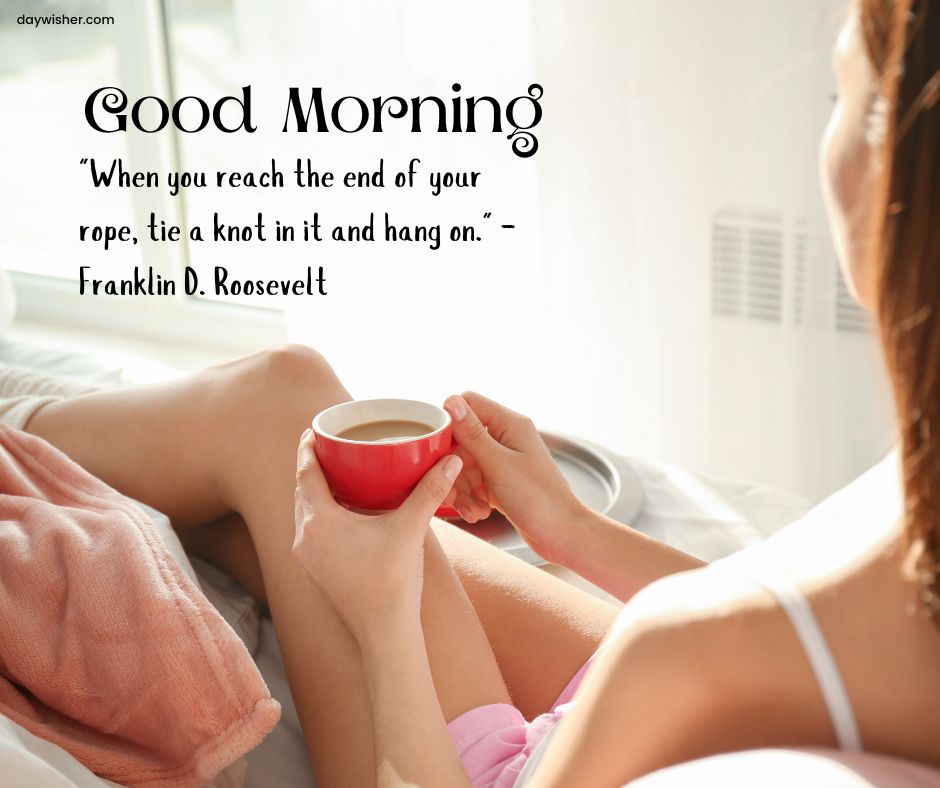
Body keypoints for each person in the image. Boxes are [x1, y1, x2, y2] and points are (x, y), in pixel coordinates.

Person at [13, 0, 939, 786]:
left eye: (839, 94)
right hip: (636, 713)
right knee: (272, 466)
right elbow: (778, 631)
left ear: (890, 163)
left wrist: (383, 617)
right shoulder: (906, 504)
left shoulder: (671, 665)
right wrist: (564, 528)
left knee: (279, 404)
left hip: (498, 759)